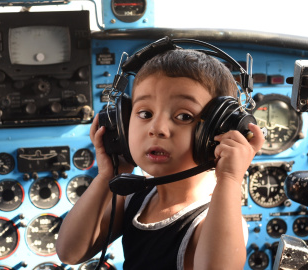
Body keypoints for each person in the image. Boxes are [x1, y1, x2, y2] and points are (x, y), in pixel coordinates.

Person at [56, 48, 265, 269]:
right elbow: (70, 252)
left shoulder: (214, 219)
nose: (157, 129)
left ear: (219, 130)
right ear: (123, 125)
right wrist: (108, 176)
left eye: (184, 116)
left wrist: (230, 179)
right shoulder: (135, 198)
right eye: (145, 114)